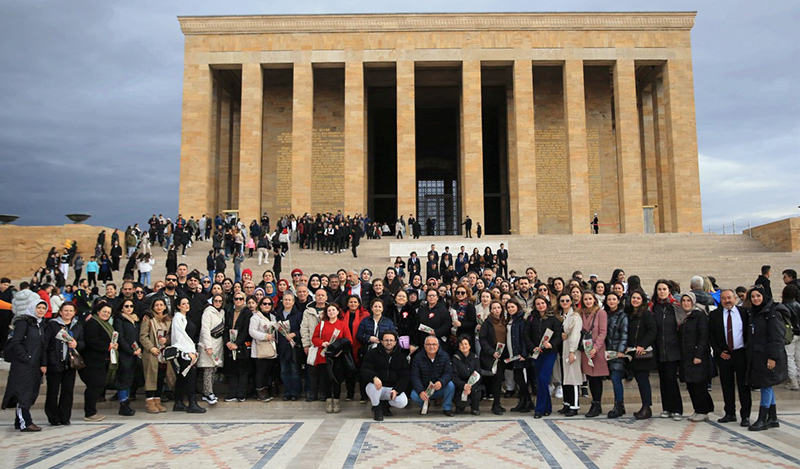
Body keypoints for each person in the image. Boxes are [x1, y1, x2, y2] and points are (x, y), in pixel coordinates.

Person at [746, 286, 789, 431]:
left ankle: (762, 418)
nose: (756, 299)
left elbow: (776, 338)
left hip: (768, 356)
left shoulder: (771, 313)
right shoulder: (756, 313)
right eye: (753, 297)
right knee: (767, 384)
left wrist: (772, 357)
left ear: (764, 296)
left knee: (765, 385)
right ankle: (773, 417)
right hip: (758, 355)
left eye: (758, 296)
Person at [2, 300, 48, 431]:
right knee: (22, 392)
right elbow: (16, 342)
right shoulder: (24, 322)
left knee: (30, 391)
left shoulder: (40, 325)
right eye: (38, 307)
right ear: (32, 308)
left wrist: (43, 363)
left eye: (43, 308)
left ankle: (19, 421)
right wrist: (26, 357)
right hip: (23, 364)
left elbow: (43, 346)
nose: (41, 310)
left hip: (35, 365)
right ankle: (26, 422)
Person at [710, 289, 751, 426]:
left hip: (740, 354)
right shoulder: (715, 315)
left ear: (735, 298)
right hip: (724, 354)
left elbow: (748, 334)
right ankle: (729, 413)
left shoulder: (744, 313)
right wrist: (718, 351)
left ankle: (745, 415)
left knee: (743, 386)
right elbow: (712, 336)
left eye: (729, 298)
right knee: (726, 385)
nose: (727, 301)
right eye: (723, 298)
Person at [676, 292, 714, 422]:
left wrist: (698, 354)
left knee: (699, 384)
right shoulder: (684, 317)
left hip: (697, 356)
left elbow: (703, 336)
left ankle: (703, 410)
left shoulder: (699, 315)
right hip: (686, 356)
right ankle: (698, 409)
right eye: (684, 301)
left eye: (688, 301)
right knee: (691, 384)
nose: (686, 303)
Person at [79, 301, 117, 422]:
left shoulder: (104, 324)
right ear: (98, 311)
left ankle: (91, 411)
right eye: (104, 311)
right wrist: (108, 346)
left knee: (99, 385)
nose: (106, 314)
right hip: (92, 361)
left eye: (109, 313)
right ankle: (90, 412)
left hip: (102, 360)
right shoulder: (92, 323)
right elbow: (92, 341)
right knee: (95, 386)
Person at [312, 303, 353, 413]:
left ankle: (336, 401)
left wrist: (340, 350)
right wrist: (322, 343)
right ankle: (328, 401)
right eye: (329, 310)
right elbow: (314, 339)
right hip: (323, 356)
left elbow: (349, 340)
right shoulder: (322, 324)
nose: (331, 312)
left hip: (337, 357)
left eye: (333, 310)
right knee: (325, 380)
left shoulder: (342, 325)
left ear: (338, 311)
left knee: (336, 379)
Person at [652, 279, 684, 421]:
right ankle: (666, 408)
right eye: (659, 289)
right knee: (663, 379)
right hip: (659, 349)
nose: (662, 292)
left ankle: (677, 409)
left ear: (669, 290)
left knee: (671, 378)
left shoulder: (675, 306)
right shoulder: (653, 307)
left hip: (673, 348)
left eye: (664, 289)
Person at [171, 297, 206, 413]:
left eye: (187, 303)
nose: (186, 305)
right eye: (183, 304)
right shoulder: (177, 318)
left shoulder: (185, 318)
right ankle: (192, 403)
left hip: (188, 350)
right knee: (190, 377)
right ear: (178, 306)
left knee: (182, 378)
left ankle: (178, 402)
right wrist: (189, 352)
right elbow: (179, 336)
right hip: (183, 352)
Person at [529, 296, 562, 418]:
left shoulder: (553, 319)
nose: (540, 305)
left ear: (546, 304)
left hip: (549, 353)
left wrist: (551, 344)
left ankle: (539, 409)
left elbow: (558, 336)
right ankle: (547, 407)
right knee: (541, 380)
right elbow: (526, 335)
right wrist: (533, 347)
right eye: (538, 304)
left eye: (542, 303)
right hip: (537, 353)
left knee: (543, 378)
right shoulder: (532, 318)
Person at [626, 289, 657, 419]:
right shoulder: (629, 314)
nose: (635, 300)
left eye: (638, 298)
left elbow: (652, 331)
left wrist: (643, 345)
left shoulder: (646, 314)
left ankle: (646, 407)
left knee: (643, 380)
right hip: (632, 353)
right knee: (640, 380)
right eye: (633, 298)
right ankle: (645, 406)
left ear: (642, 300)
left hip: (642, 353)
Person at [139, 298, 172, 414]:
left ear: (164, 307)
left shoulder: (168, 320)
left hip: (163, 354)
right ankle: (150, 401)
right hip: (151, 353)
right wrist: (151, 348)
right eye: (156, 305)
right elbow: (143, 336)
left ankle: (158, 400)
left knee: (160, 377)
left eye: (161, 305)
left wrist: (166, 340)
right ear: (153, 307)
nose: (159, 307)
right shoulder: (148, 319)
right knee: (150, 377)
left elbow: (171, 336)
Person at [410, 335, 456, 416]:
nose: (431, 347)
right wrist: (420, 391)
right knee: (414, 395)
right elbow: (414, 376)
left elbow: (448, 372)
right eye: (429, 344)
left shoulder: (445, 356)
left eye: (434, 344)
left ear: (438, 346)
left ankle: (447, 408)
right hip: (425, 388)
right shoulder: (417, 358)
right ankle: (424, 404)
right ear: (424, 346)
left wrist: (441, 382)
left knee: (450, 385)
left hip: (439, 387)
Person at [113, 299, 142, 416]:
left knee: (130, 378)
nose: (129, 308)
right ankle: (123, 404)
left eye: (131, 306)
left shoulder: (135, 320)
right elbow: (121, 338)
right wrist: (130, 351)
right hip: (125, 354)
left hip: (135, 353)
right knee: (123, 379)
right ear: (122, 308)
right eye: (126, 306)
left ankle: (127, 401)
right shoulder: (119, 319)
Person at [224, 295, 254, 402]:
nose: (238, 301)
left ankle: (241, 393)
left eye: (241, 299)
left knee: (242, 371)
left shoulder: (247, 313)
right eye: (236, 299)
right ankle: (233, 393)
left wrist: (237, 343)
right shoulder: (229, 312)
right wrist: (227, 342)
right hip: (230, 346)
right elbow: (225, 328)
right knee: (232, 370)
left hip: (242, 345)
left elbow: (246, 330)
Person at [249, 296, 278, 402]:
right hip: (260, 347)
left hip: (271, 348)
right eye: (264, 304)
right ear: (260, 305)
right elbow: (252, 332)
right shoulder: (255, 317)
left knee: (268, 371)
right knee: (260, 371)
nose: (267, 306)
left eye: (269, 304)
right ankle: (260, 391)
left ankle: (267, 389)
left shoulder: (273, 317)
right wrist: (265, 336)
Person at [604, 292, 628, 418]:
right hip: (607, 352)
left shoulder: (623, 316)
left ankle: (618, 405)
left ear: (618, 300)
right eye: (609, 299)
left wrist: (621, 351)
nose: (612, 301)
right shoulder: (605, 314)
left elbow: (625, 334)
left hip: (617, 352)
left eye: (614, 299)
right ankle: (620, 405)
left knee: (616, 378)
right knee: (613, 378)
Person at [559, 293, 583, 416]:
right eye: (562, 300)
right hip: (564, 348)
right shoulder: (561, 315)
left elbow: (575, 334)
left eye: (567, 300)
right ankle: (567, 403)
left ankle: (574, 405)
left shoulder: (575, 316)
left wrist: (572, 351)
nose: (564, 302)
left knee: (573, 377)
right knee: (566, 377)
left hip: (572, 348)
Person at [451, 333, 484, 415]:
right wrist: (464, 385)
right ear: (459, 347)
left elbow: (479, 374)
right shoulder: (455, 358)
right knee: (459, 409)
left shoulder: (475, 358)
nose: (464, 346)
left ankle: (475, 407)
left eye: (466, 344)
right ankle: (461, 406)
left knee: (477, 392)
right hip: (461, 385)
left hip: (473, 385)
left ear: (469, 346)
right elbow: (454, 376)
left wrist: (470, 387)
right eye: (461, 344)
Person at [782, 284, 800, 390]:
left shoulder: (784, 306)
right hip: (799, 333)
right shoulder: (797, 304)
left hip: (790, 334)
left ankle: (793, 381)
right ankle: (798, 379)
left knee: (789, 357)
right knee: (798, 356)